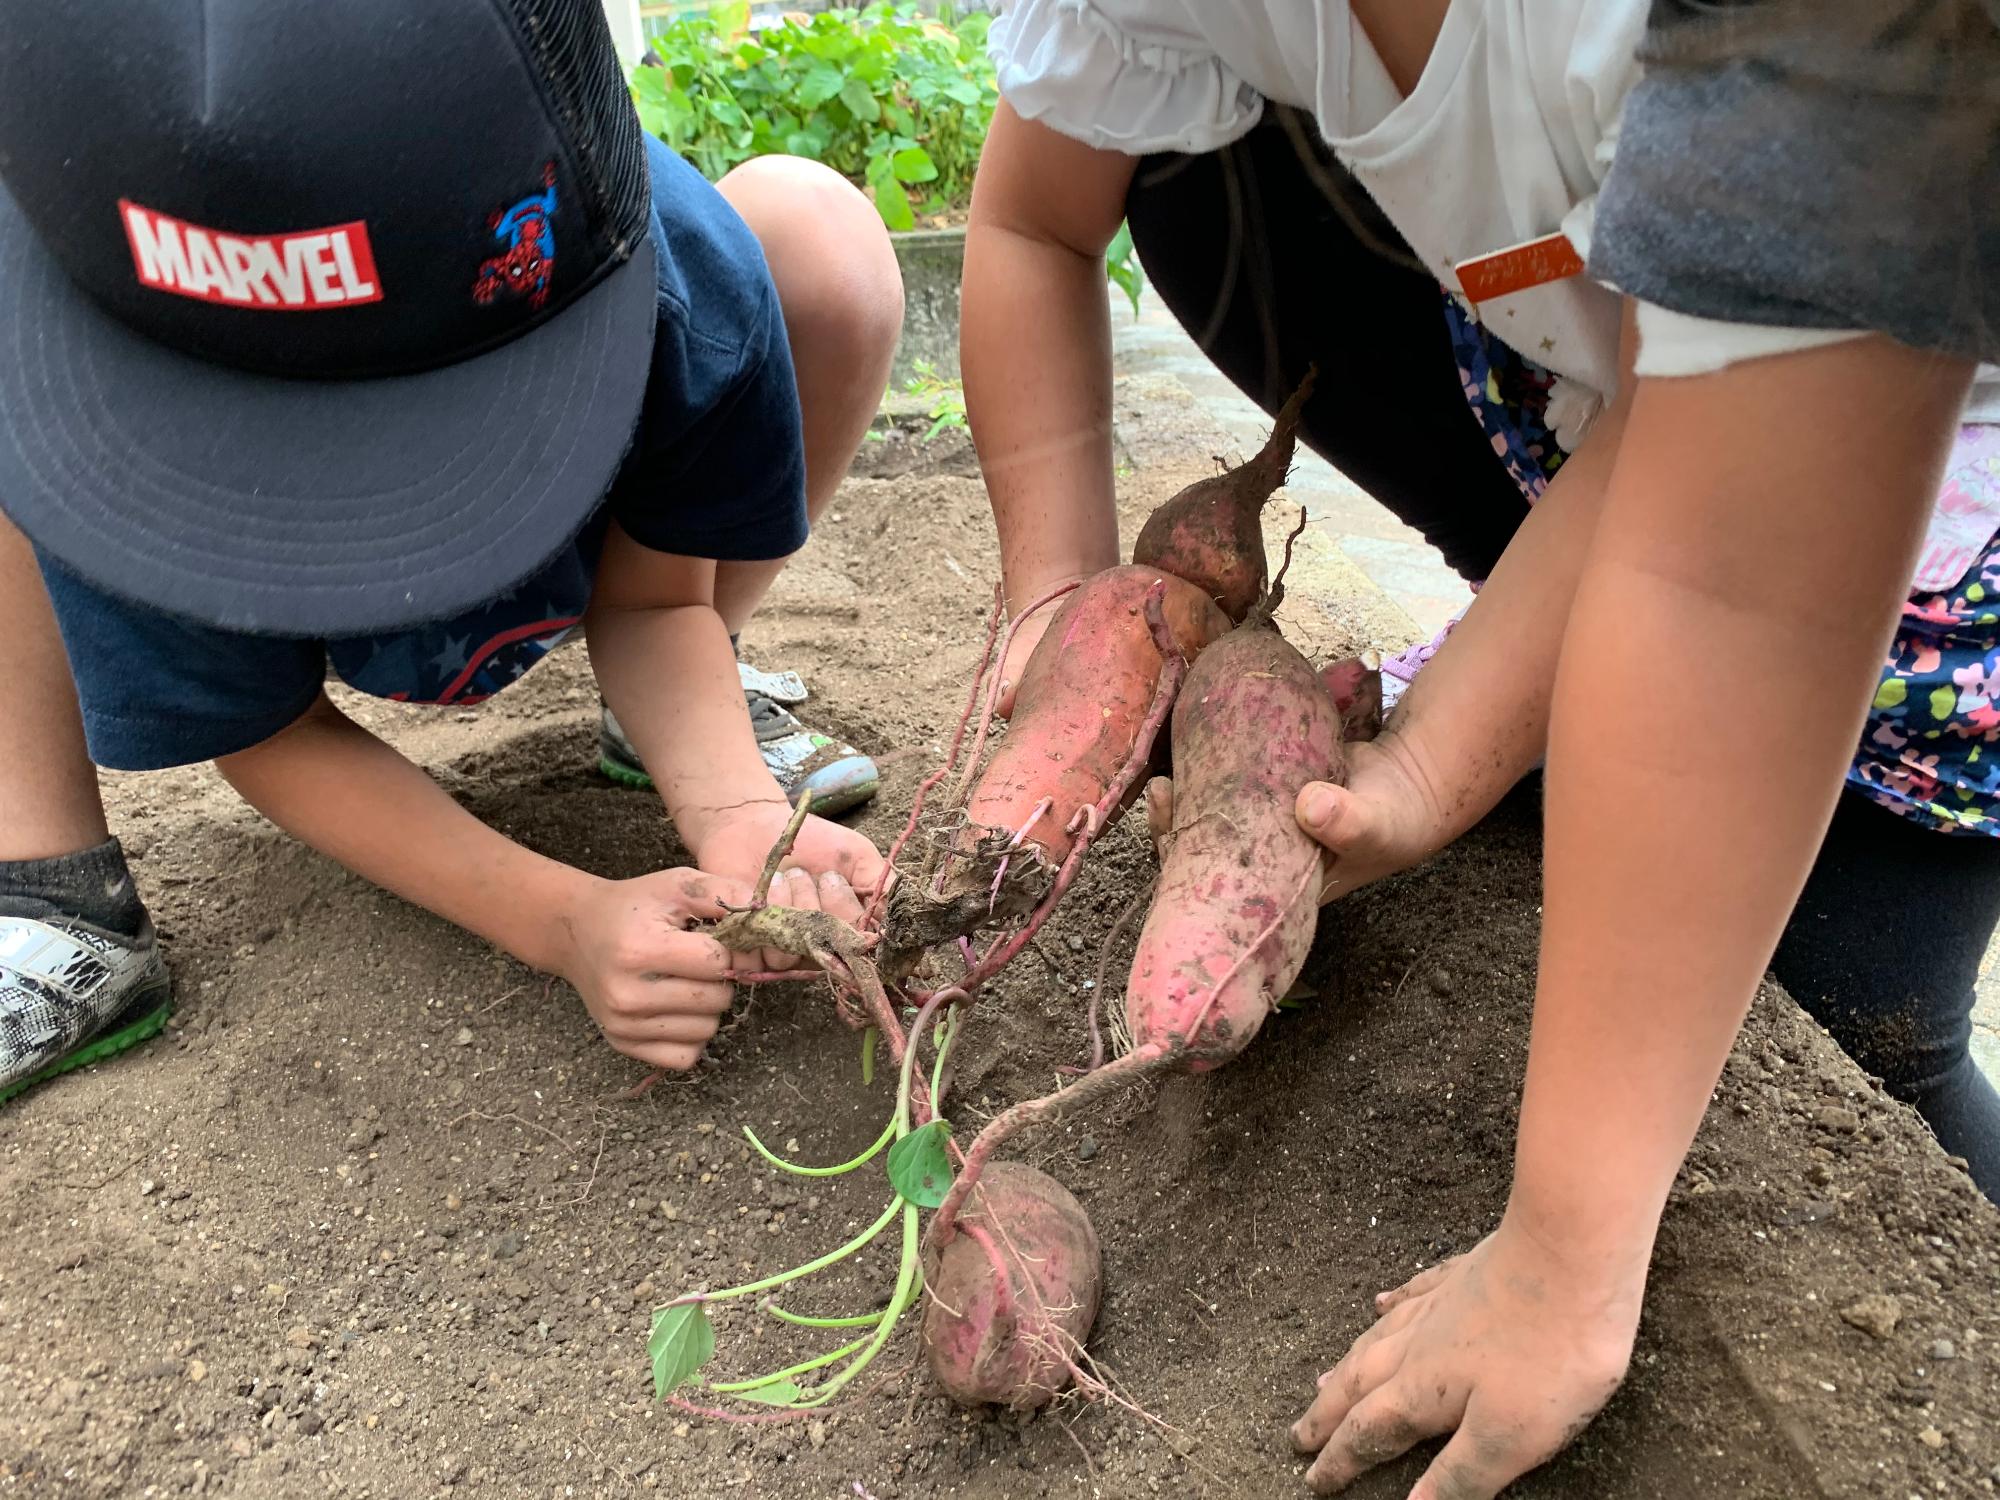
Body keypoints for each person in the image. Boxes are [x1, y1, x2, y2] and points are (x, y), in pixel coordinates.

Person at [961, 0, 1999, 1493]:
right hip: (1585, 376)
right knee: (1191, 187)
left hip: (1906, 498)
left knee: (1862, 1026)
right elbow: (1031, 225)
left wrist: (1565, 1256)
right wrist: (1069, 618)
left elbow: (1735, 586)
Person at [0, 0, 895, 1104]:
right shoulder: (94, 401)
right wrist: (560, 919)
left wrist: (737, 811)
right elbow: (267, 729)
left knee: (817, 233)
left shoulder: (671, 277)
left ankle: (676, 717)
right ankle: (50, 882)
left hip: (597, 448)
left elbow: (656, 602)